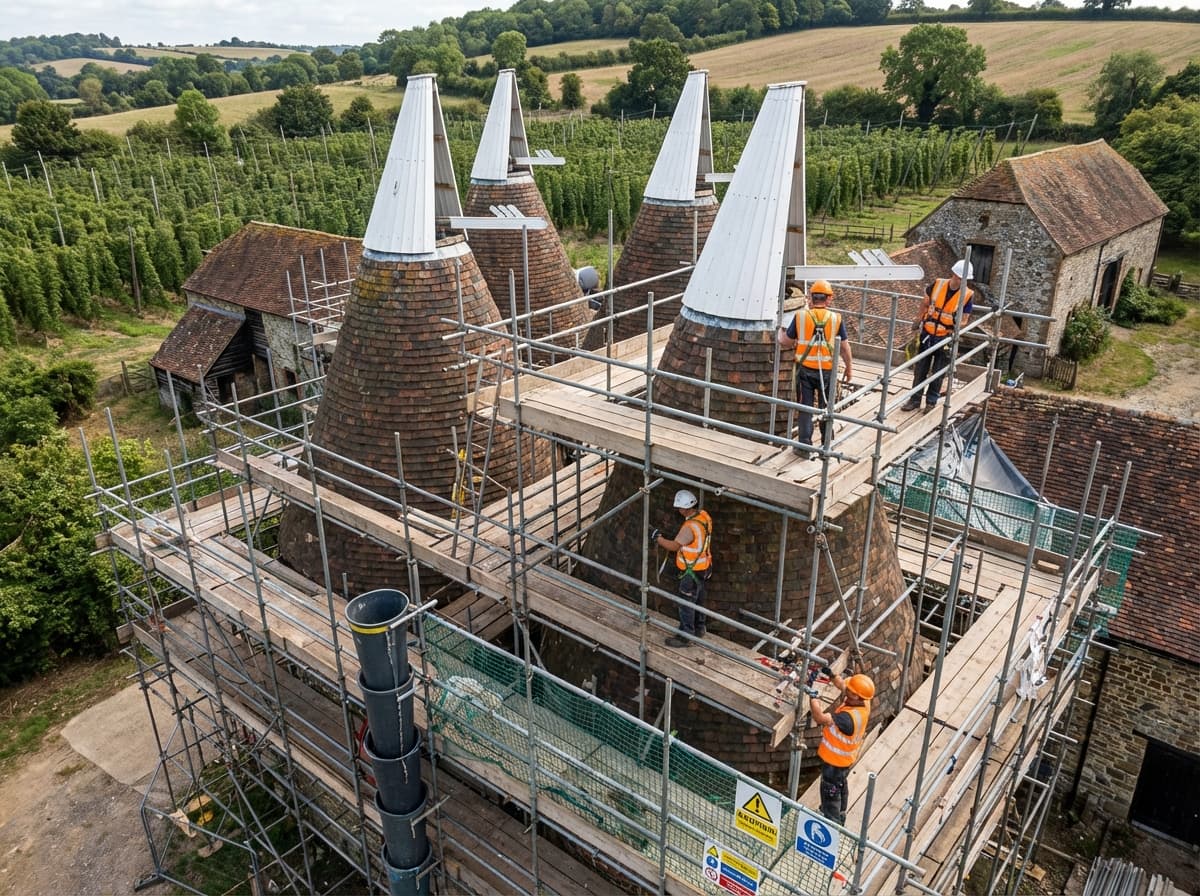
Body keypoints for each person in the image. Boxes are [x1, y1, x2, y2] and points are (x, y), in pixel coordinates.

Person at [777, 280, 853, 459]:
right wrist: (849, 368)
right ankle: (827, 444)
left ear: (811, 298)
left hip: (805, 370)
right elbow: (844, 347)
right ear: (829, 299)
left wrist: (780, 333)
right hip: (827, 371)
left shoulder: (801, 317)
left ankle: (804, 446)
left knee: (805, 408)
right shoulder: (836, 318)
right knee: (827, 407)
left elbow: (786, 342)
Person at [901, 259, 975, 412]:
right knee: (920, 368)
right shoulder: (938, 284)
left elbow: (965, 320)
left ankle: (931, 402)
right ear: (954, 274)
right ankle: (914, 400)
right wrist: (918, 319)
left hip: (945, 337)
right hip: (928, 333)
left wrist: (957, 324)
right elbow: (925, 303)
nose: (962, 281)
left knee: (938, 371)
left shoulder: (967, 295)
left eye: (965, 279)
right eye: (960, 277)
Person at [809, 670, 874, 826]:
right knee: (840, 784)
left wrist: (813, 697)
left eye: (850, 692)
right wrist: (831, 674)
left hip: (834, 761)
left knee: (830, 790)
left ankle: (830, 822)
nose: (846, 691)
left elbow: (819, 717)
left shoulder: (848, 719)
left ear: (856, 696)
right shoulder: (863, 701)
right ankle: (841, 813)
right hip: (845, 759)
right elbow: (844, 686)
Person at [654, 489, 713, 648]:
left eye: (679, 508)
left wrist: (658, 539)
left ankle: (685, 636)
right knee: (699, 600)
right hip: (704, 567)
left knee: (686, 603)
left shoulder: (689, 527)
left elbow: (673, 546)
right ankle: (700, 628)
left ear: (685, 508)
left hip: (691, 572)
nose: (678, 511)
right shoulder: (704, 516)